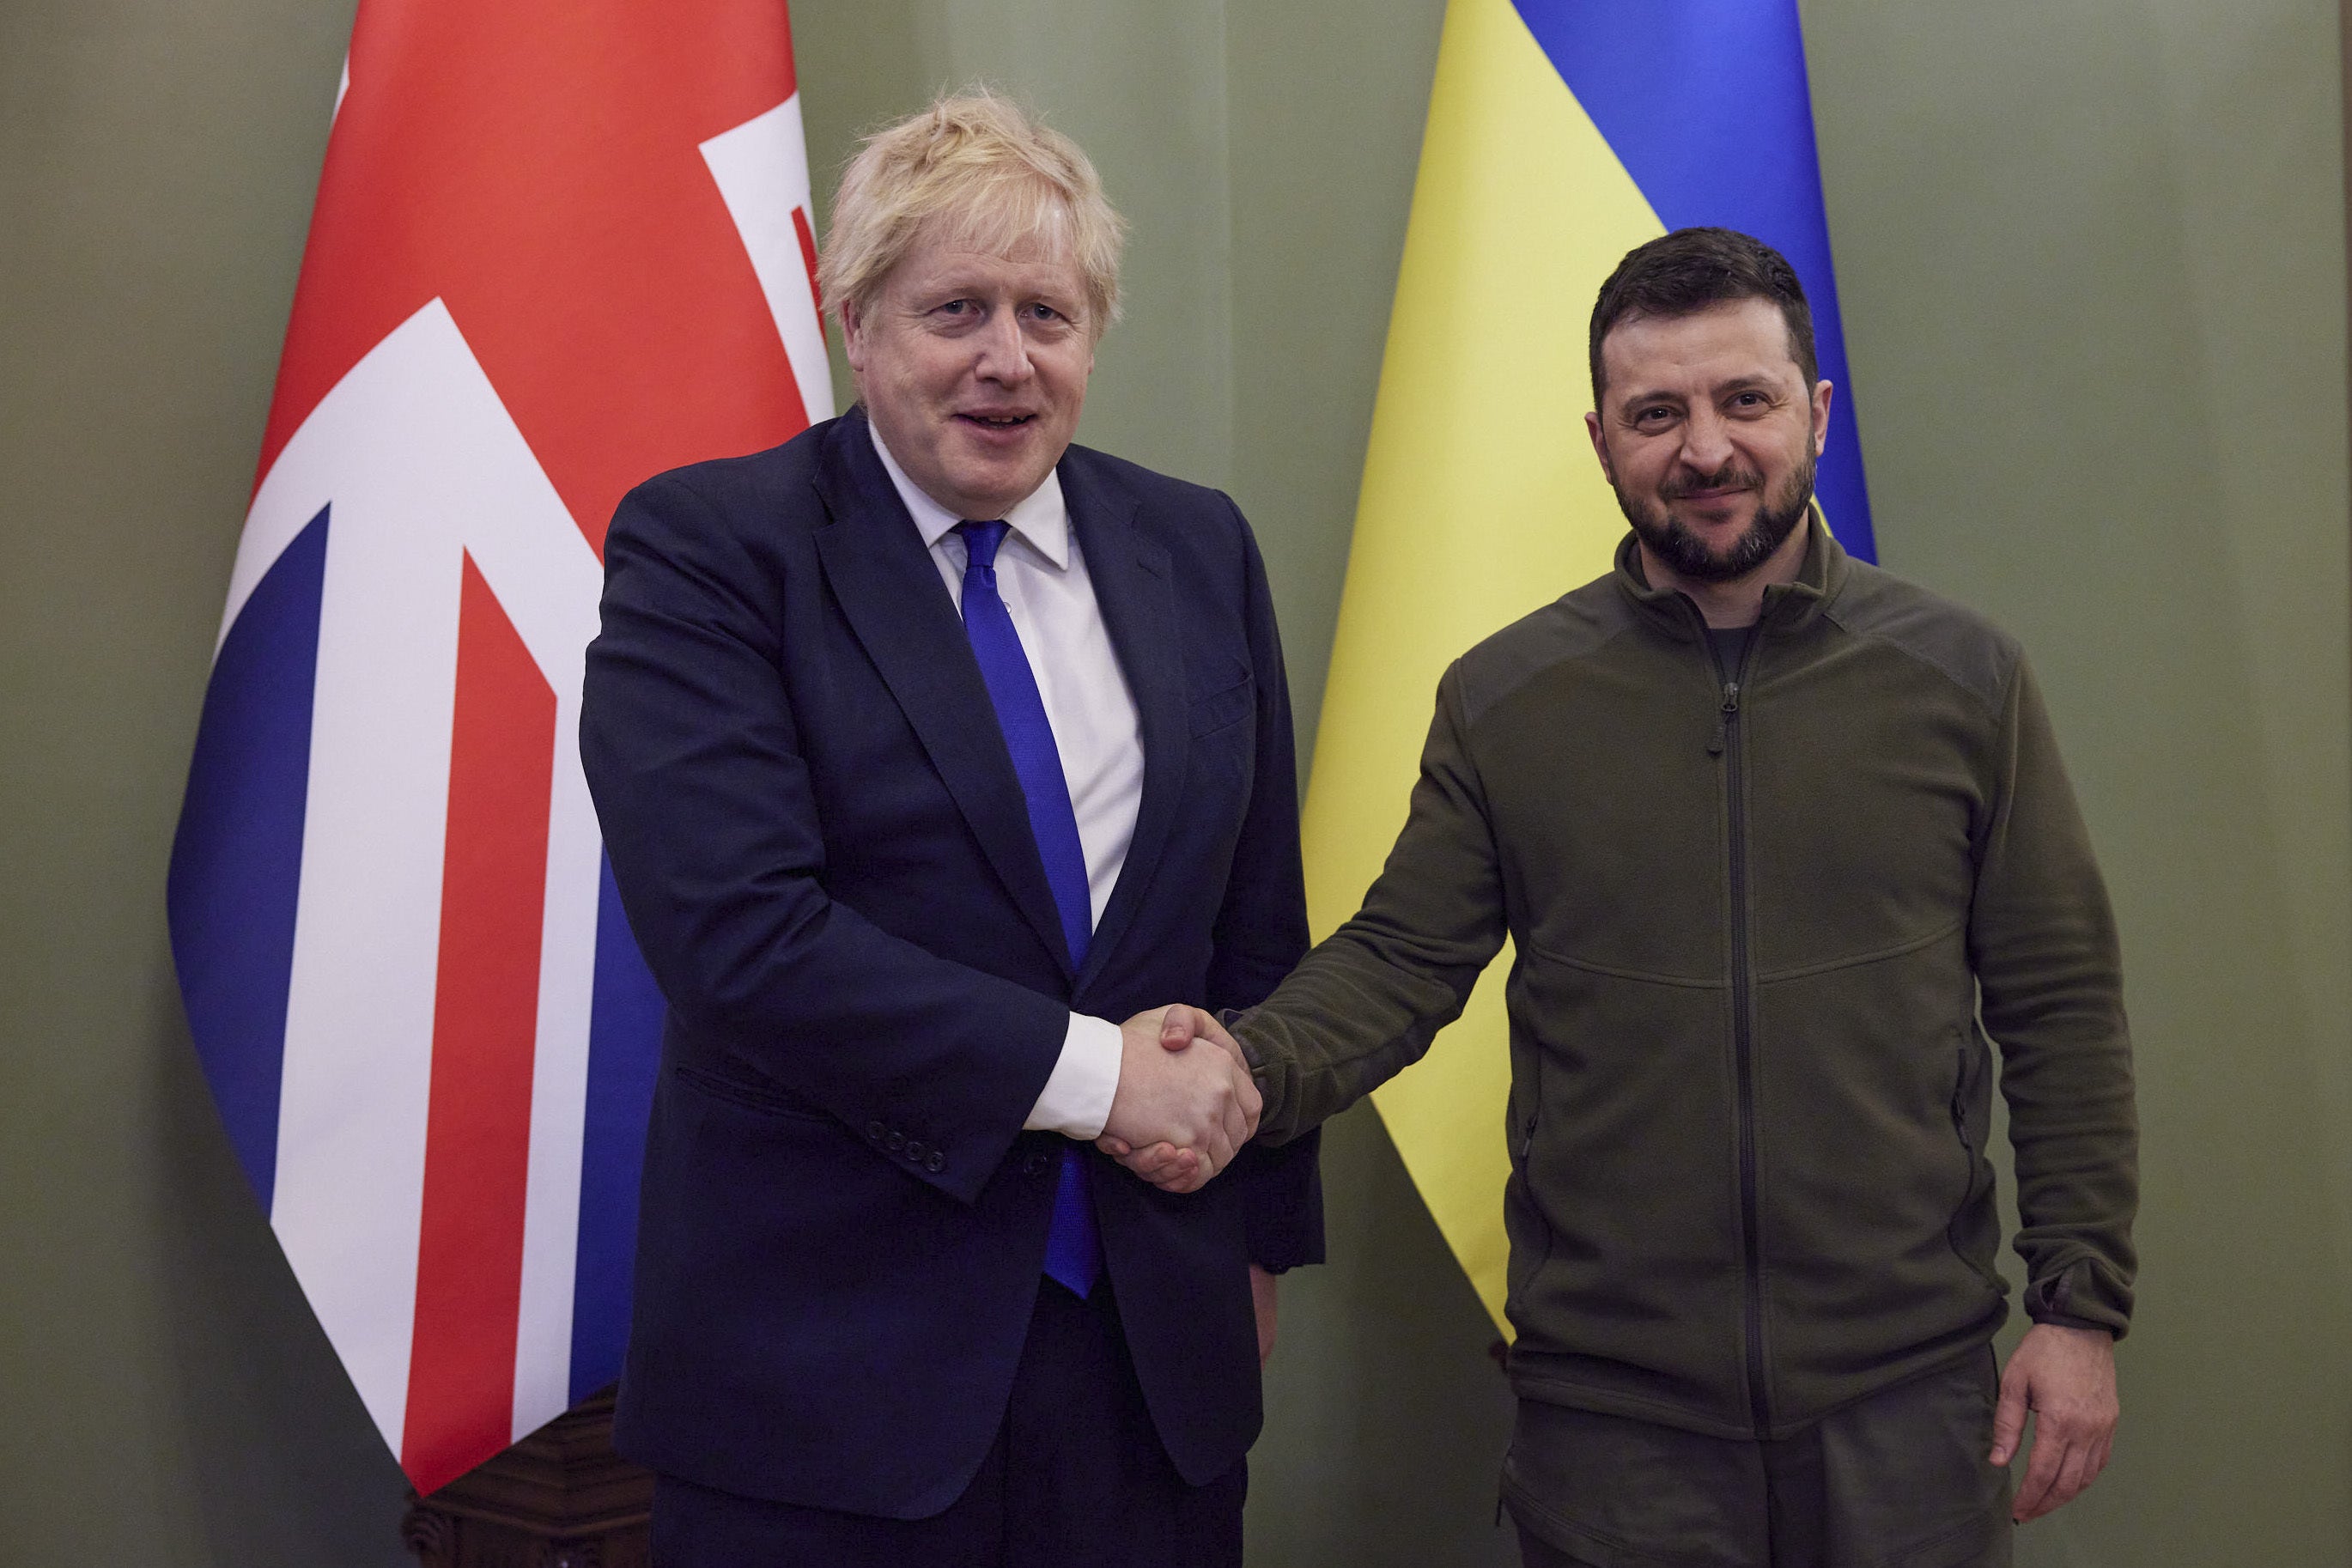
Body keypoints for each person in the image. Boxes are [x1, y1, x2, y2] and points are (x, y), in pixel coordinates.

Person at [1119, 228, 2137, 1567]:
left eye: (1744, 402)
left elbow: (2060, 1007)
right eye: (1657, 413)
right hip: (1614, 1427)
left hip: (1909, 1407)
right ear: (1602, 439)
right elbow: (1399, 961)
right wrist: (1242, 1065)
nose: (1704, 449)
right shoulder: (1505, 701)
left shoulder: (1964, 681)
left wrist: (2080, 1311)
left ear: (1815, 415)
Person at [580, 92, 1320, 1565]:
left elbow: (1255, 920)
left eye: (1047, 311)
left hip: (1150, 1365)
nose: (1006, 358)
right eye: (955, 309)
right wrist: (1105, 1076)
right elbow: (741, 939)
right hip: (826, 1375)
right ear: (855, 323)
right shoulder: (712, 549)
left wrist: (1258, 1236)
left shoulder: (1197, 547)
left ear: (1095, 335)